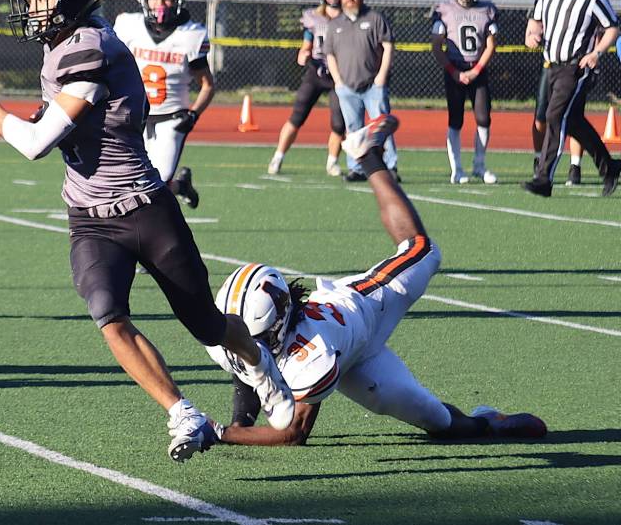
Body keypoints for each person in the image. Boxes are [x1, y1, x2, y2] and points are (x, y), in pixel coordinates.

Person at [0, 0, 296, 462]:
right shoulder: (69, 42)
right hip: (90, 218)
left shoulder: (89, 47)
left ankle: (258, 361)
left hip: (143, 208)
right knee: (108, 315)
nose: (32, 8)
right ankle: (183, 413)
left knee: (205, 323)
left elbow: (34, 143)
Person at [202, 114, 548, 447]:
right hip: (350, 355)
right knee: (438, 420)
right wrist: (240, 425)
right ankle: (483, 422)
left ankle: (365, 154)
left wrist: (220, 433)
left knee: (423, 251)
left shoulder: (312, 352)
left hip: (365, 307)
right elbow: (246, 362)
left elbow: (294, 433)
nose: (247, 341)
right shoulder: (237, 331)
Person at [114, 0, 213, 209]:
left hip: (171, 118)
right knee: (131, 180)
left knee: (156, 183)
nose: (161, 4)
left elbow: (208, 85)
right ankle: (182, 187)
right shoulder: (128, 26)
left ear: (178, 0)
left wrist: (194, 114)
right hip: (133, 114)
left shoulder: (191, 35)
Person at [523, 0, 621, 197]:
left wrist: (597, 52)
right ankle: (609, 167)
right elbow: (535, 22)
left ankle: (544, 178)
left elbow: (612, 27)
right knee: (573, 121)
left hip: (576, 67)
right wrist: (532, 37)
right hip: (552, 64)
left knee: (554, 115)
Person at [267, 0, 346, 178]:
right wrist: (303, 54)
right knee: (296, 117)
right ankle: (278, 156)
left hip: (340, 75)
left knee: (339, 123)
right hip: (317, 71)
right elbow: (307, 44)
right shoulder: (314, 17)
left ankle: (332, 162)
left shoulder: (348, 18)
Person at [324, 0, 397, 181]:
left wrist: (382, 75)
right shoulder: (336, 24)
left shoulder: (374, 18)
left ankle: (390, 166)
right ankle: (357, 168)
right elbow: (329, 54)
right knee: (354, 130)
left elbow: (388, 45)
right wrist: (338, 81)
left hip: (372, 84)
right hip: (347, 87)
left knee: (381, 127)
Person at [431, 0, 498, 184]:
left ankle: (479, 165)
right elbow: (436, 46)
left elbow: (491, 45)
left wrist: (476, 70)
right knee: (455, 120)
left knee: (483, 118)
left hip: (477, 69)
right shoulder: (444, 9)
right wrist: (454, 72)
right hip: (454, 70)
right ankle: (457, 169)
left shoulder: (487, 10)